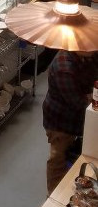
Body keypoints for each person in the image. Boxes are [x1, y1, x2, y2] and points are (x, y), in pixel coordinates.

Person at [42, 48, 98, 192]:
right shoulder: (63, 67)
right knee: (57, 157)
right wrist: (91, 95)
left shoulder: (89, 54)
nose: (93, 48)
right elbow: (78, 102)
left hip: (78, 118)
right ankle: (53, 195)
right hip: (60, 121)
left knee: (75, 151)